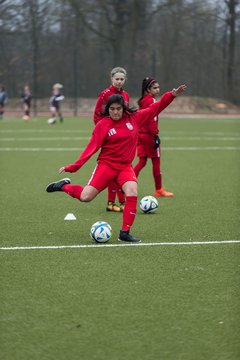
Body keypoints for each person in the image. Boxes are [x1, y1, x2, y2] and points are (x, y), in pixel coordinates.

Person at [46, 84, 186, 243]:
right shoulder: (103, 125)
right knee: (86, 197)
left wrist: (172, 95)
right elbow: (91, 149)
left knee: (132, 192)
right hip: (106, 166)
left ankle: (124, 233)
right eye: (112, 109)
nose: (115, 112)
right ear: (108, 109)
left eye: (118, 108)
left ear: (123, 108)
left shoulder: (135, 118)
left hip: (125, 167)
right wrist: (73, 167)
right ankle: (63, 186)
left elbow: (156, 107)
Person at [94, 67, 128, 213]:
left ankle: (121, 201)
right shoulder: (105, 94)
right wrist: (103, 132)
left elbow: (126, 115)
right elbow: (97, 114)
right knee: (112, 171)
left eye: (122, 79)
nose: (119, 81)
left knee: (122, 170)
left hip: (123, 138)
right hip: (110, 137)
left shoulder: (126, 95)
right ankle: (110, 202)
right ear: (111, 79)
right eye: (117, 79)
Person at [134, 77, 174, 197]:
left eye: (158, 87)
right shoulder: (151, 100)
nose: (158, 90)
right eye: (155, 88)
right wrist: (155, 134)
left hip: (140, 134)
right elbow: (152, 118)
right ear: (148, 89)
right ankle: (159, 190)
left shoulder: (143, 100)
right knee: (156, 161)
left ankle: (125, 184)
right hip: (149, 135)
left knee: (142, 161)